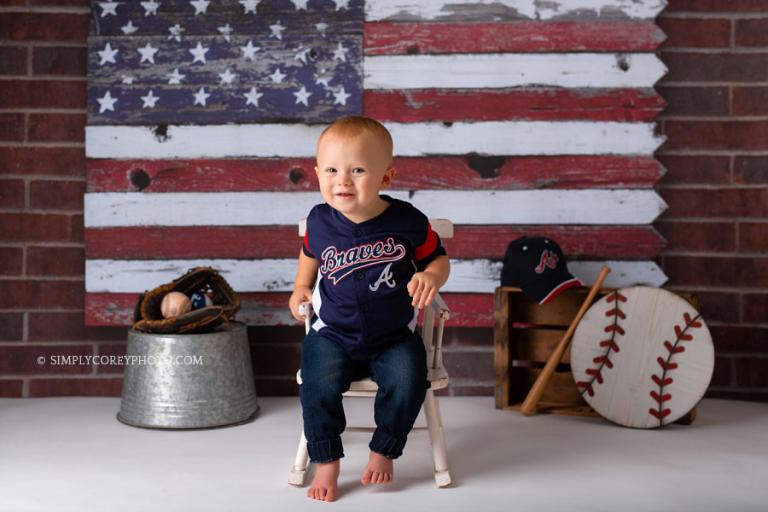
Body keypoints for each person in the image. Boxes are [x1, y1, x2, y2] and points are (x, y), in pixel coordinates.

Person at [288, 116, 451, 502]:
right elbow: (309, 254)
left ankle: (384, 450)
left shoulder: (408, 221)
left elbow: (438, 259)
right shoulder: (320, 220)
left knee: (409, 378)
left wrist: (432, 277)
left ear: (386, 177)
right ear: (317, 173)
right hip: (334, 333)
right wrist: (300, 287)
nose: (342, 180)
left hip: (393, 334)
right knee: (318, 382)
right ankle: (326, 459)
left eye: (357, 170)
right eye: (331, 170)